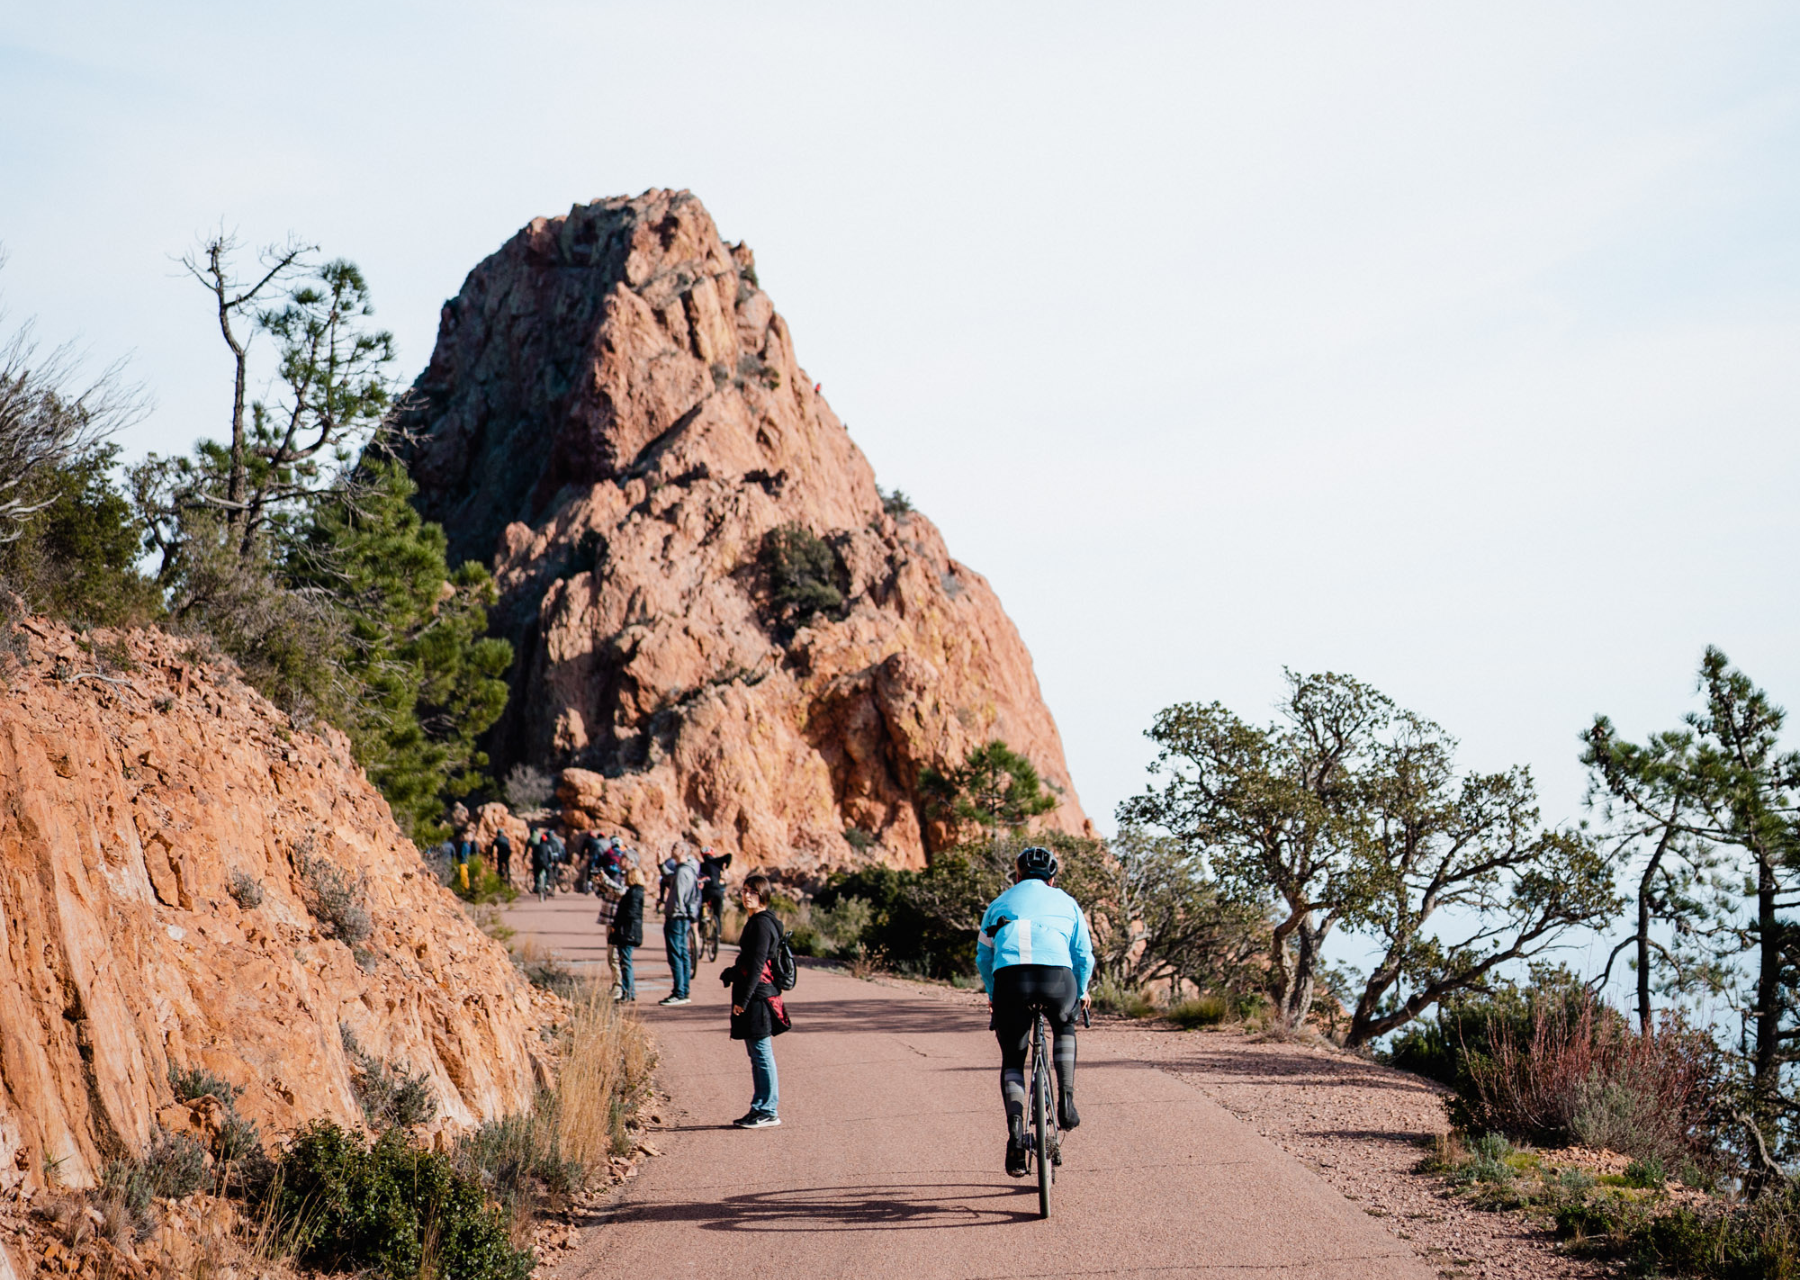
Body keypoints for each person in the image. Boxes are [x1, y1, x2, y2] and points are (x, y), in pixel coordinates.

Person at [977, 845, 1094, 1178]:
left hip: (1010, 982)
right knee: (1064, 1026)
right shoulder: (1067, 903)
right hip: (1057, 979)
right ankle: (1067, 1101)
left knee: (1014, 1061)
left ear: (1017, 875)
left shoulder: (998, 905)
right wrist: (1082, 991)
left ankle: (1015, 1136)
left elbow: (983, 958)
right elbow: (1083, 955)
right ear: (1052, 879)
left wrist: (992, 992)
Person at [719, 873, 789, 1127]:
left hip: (759, 997)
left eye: (753, 892)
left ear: (764, 895)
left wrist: (744, 1000)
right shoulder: (758, 921)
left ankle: (768, 1109)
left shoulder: (761, 924)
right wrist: (732, 973)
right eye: (745, 891)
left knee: (761, 1053)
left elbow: (758, 965)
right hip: (758, 995)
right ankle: (759, 1107)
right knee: (756, 1054)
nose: (747, 896)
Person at [658, 846, 701, 1005]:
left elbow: (678, 898)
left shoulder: (683, 872)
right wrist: (661, 865)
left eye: (676, 846)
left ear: (683, 851)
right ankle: (683, 990)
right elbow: (669, 878)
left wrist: (673, 912)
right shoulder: (684, 870)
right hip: (681, 919)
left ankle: (679, 993)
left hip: (677, 919)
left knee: (676, 955)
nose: (672, 848)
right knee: (682, 953)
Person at [610, 866, 646, 1002]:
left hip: (627, 931)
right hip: (629, 930)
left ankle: (628, 992)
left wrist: (618, 926)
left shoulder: (633, 893)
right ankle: (629, 992)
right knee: (625, 961)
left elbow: (630, 913)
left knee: (625, 962)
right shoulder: (636, 892)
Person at [697, 846, 733, 936]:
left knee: (701, 906)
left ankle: (700, 927)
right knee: (717, 914)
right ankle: (718, 934)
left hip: (707, 891)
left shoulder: (701, 866)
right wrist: (726, 867)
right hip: (718, 891)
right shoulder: (717, 862)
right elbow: (729, 856)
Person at [530, 829, 555, 901]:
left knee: (536, 873)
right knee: (548, 872)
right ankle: (547, 884)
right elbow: (550, 856)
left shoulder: (536, 846)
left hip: (537, 864)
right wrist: (550, 862)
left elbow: (533, 855)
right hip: (545, 864)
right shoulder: (548, 847)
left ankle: (537, 884)